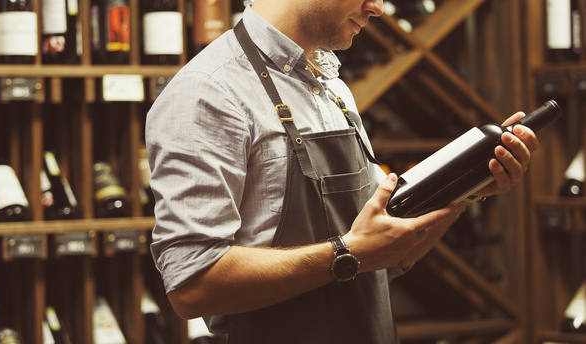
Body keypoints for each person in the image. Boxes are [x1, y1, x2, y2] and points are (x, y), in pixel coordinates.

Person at [144, 0, 539, 342]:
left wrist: (467, 188)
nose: (379, 8)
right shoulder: (208, 91)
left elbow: (387, 252)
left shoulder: (331, 86)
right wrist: (347, 253)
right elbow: (192, 286)